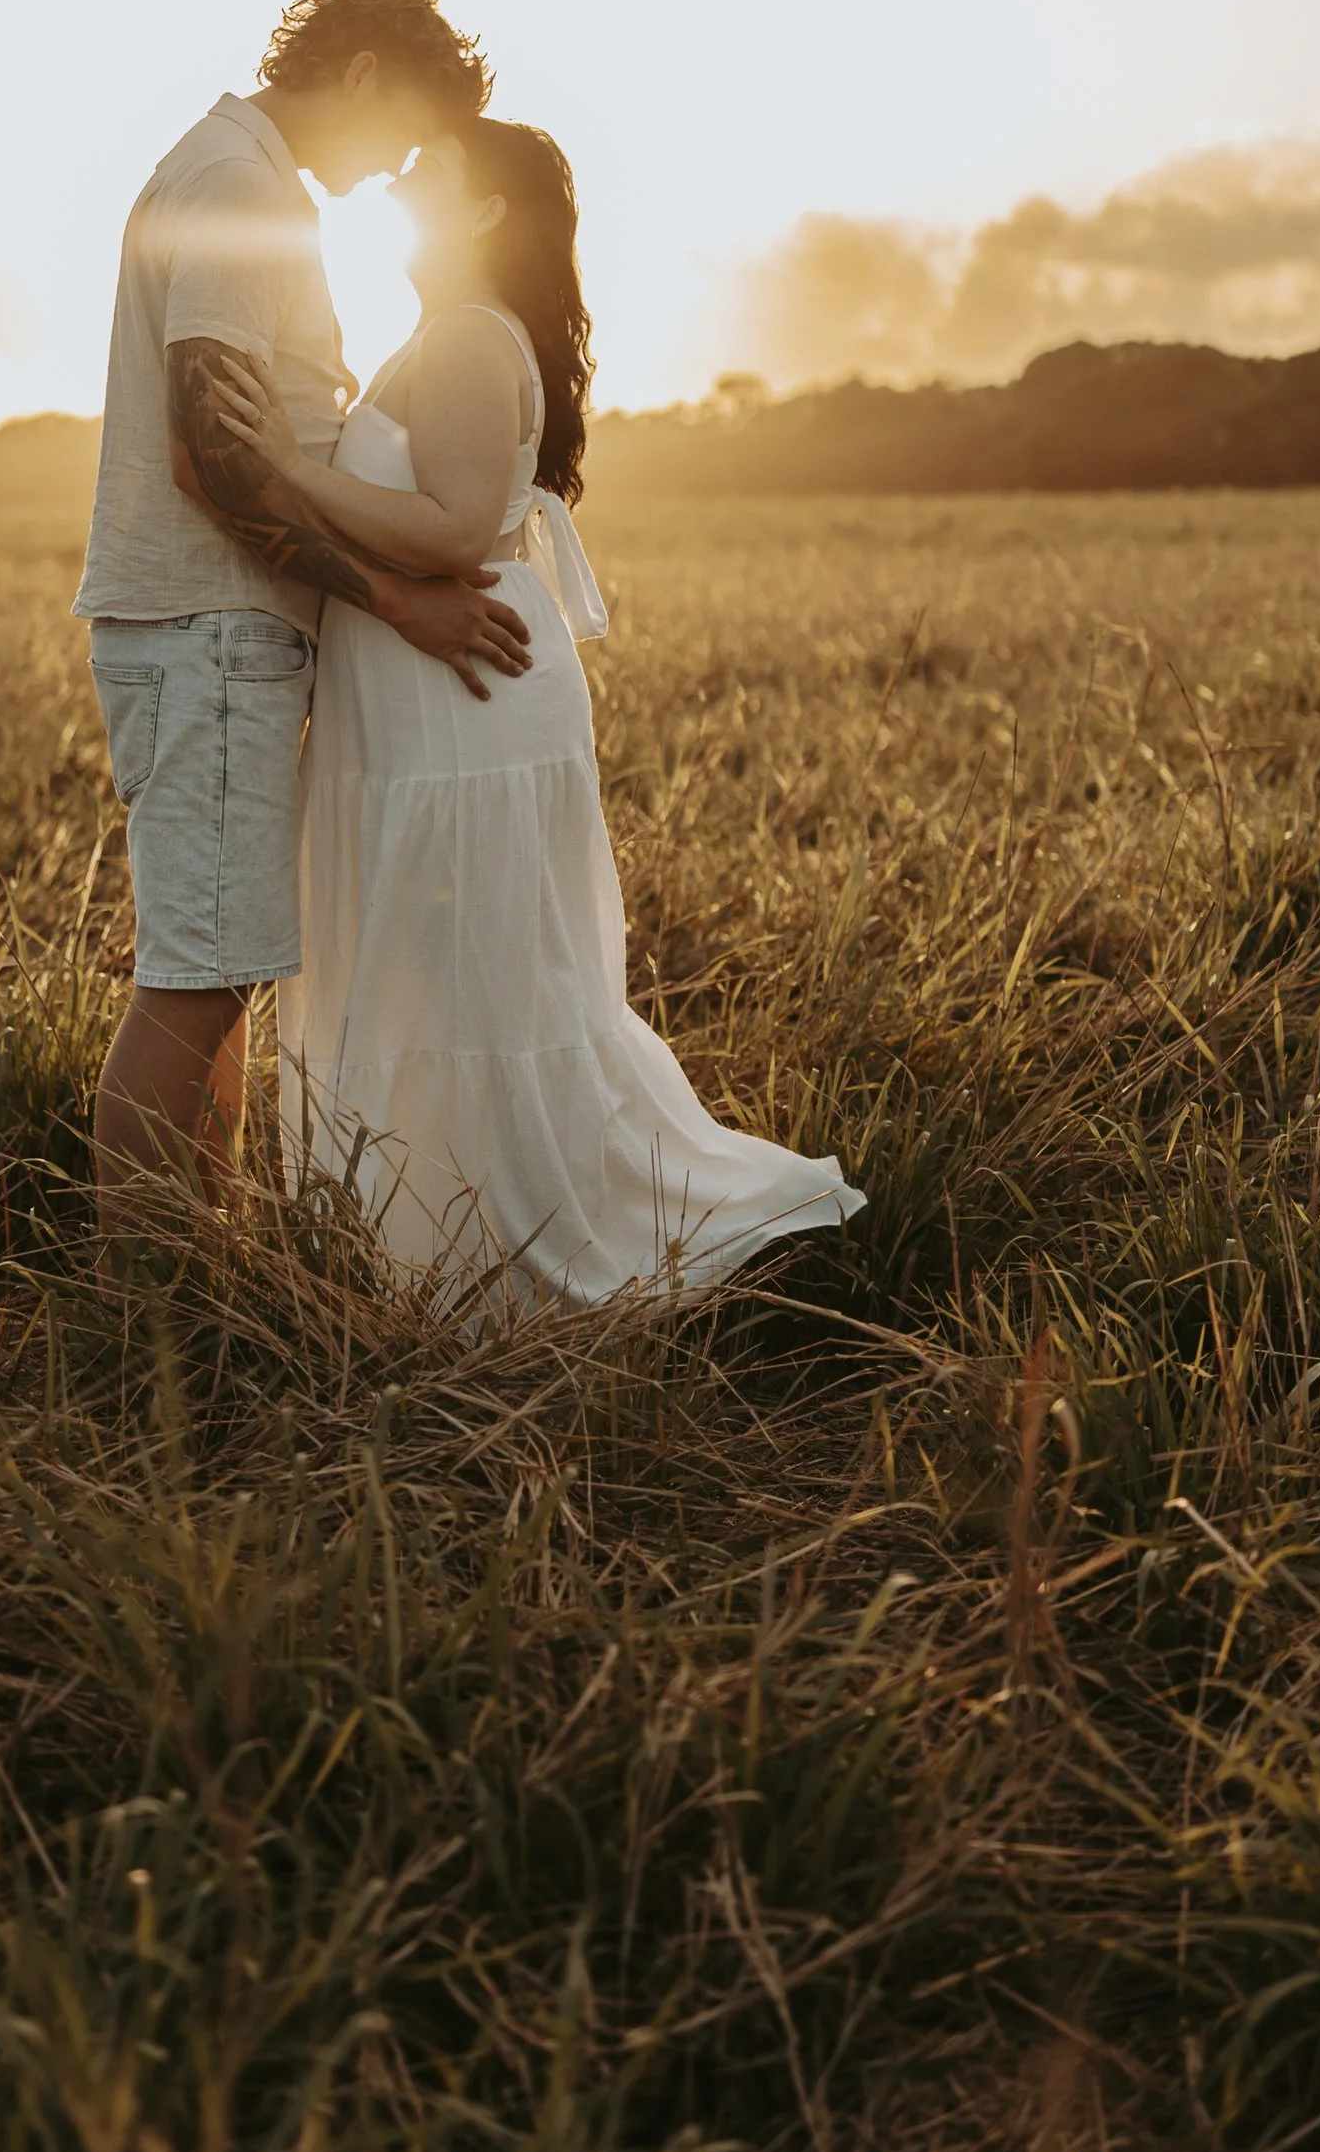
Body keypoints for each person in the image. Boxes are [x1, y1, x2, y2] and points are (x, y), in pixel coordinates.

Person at [204, 115, 864, 1305]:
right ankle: (423, 1247)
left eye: (425, 170)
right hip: (430, 698)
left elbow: (457, 528)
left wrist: (290, 469)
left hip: (456, 700)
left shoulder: (462, 336)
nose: (398, 178)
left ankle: (489, 1256)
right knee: (439, 961)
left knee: (463, 968)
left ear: (483, 212)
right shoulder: (445, 332)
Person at [75, 0, 533, 1225]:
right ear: (366, 69)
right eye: (402, 129)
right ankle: (146, 1305)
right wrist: (396, 595)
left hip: (217, 633)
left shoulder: (241, 177)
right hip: (208, 629)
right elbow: (212, 452)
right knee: (195, 982)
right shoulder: (238, 189)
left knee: (217, 975)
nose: (390, 166)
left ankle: (199, 1257)